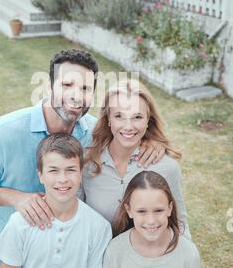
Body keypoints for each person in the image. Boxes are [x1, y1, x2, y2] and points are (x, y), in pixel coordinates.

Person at [0, 49, 164, 268]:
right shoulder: (4, 131)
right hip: (3, 234)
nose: (76, 96)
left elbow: (128, 132)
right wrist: (17, 198)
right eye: (67, 84)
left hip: (63, 238)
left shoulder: (94, 133)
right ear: (49, 87)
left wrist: (150, 142)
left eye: (85, 88)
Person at [0, 133, 112, 268]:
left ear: (80, 173)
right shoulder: (19, 223)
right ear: (40, 175)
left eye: (70, 170)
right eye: (53, 171)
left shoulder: (98, 226)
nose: (62, 179)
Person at [79, 79, 190, 238]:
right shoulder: (87, 162)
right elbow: (75, 217)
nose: (128, 126)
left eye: (137, 117)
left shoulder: (167, 167)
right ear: (108, 119)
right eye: (119, 116)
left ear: (148, 120)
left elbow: (179, 224)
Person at [101, 171, 201, 268]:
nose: (151, 221)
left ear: (170, 208)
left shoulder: (189, 254)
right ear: (129, 210)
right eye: (142, 211)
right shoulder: (114, 251)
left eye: (158, 210)